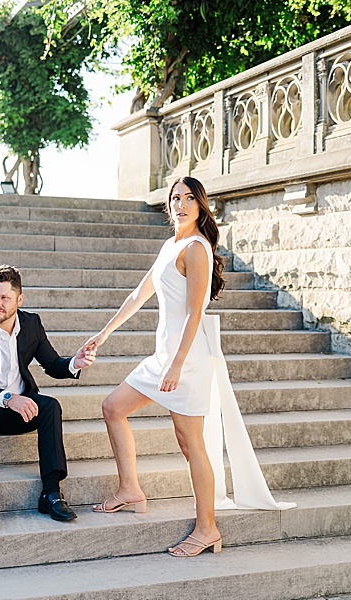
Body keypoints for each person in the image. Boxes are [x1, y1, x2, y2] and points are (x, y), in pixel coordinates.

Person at [82, 176, 294, 558]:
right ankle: (130, 489)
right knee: (113, 407)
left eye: (188, 199)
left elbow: (197, 311)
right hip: (162, 355)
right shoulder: (171, 244)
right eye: (174, 198)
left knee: (189, 442)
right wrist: (103, 335)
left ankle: (207, 528)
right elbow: (138, 294)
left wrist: (177, 365)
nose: (180, 204)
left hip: (188, 358)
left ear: (201, 205)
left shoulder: (197, 248)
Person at [0, 264, 96, 528]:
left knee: (50, 407)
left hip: (16, 411)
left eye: (3, 297)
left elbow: (51, 363)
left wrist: (74, 363)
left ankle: (51, 493)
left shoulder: (31, 324)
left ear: (19, 299)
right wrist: (9, 398)